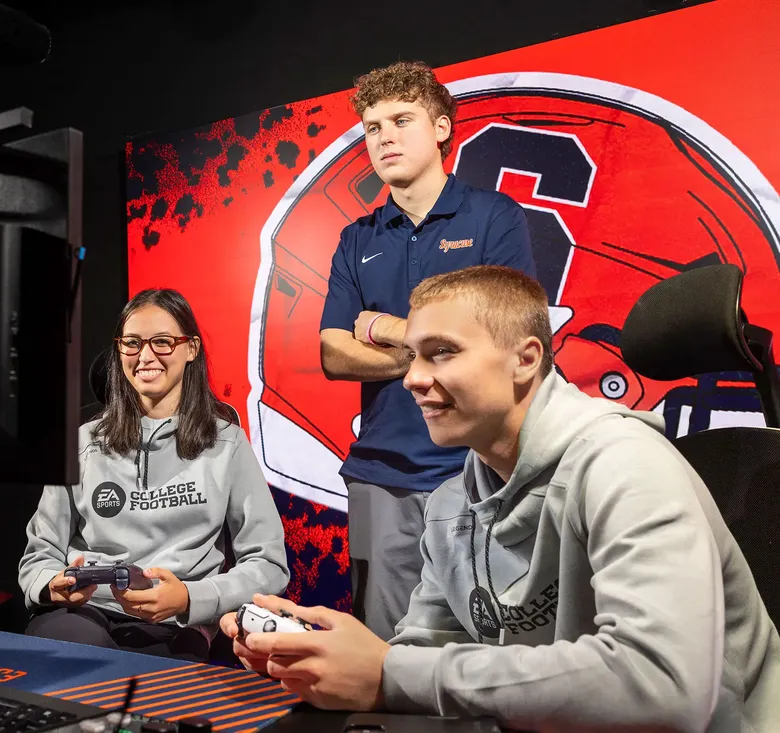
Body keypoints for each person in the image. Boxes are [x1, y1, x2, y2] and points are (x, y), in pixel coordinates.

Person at [225, 265, 780, 730]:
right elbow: (423, 657)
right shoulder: (448, 504)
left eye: (440, 353)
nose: (413, 378)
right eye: (412, 356)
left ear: (526, 358)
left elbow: (664, 687)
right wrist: (325, 656)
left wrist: (391, 673)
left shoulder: (625, 463)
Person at [320, 60, 537, 639]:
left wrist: (386, 329)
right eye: (372, 127)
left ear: (441, 128)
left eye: (401, 120)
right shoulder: (356, 238)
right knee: (388, 654)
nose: (384, 137)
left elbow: (502, 335)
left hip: (480, 469)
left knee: (492, 641)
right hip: (381, 473)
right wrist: (434, 349)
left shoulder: (494, 218)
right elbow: (334, 353)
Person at [19, 288, 290, 663]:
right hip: (82, 612)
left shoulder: (226, 442)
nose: (145, 356)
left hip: (175, 621)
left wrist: (191, 598)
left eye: (162, 342)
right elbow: (39, 554)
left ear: (191, 348)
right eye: (131, 343)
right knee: (73, 661)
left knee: (144, 689)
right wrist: (50, 585)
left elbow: (268, 564)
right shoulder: (81, 441)